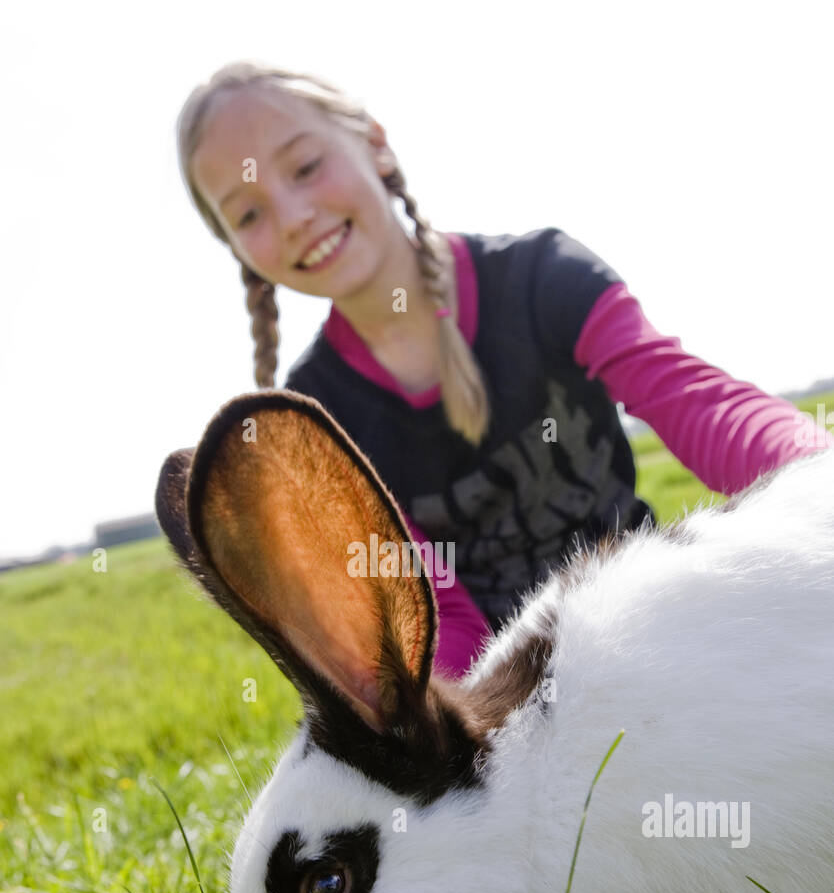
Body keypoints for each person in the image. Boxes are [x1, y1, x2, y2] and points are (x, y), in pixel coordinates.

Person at [177, 61, 831, 678]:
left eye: (307, 166)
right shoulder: (320, 409)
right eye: (249, 213)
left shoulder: (541, 276)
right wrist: (466, 733)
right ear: (233, 245)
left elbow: (696, 402)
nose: (293, 217)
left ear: (374, 143)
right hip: (500, 697)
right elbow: (440, 615)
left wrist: (815, 480)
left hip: (650, 627)